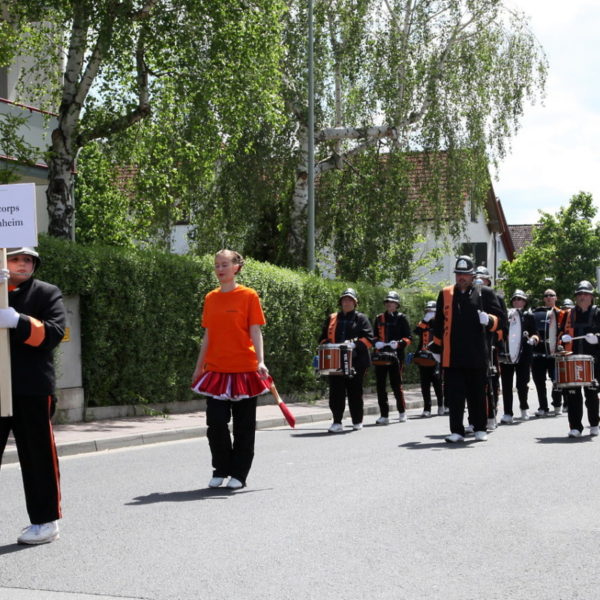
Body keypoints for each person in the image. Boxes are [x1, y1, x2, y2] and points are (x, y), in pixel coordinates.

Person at [0, 247, 66, 545]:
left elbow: (54, 333)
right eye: (15, 258)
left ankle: (45, 521)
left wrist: (19, 321)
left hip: (32, 389)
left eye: (28, 260)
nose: (23, 264)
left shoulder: (46, 293)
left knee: (38, 457)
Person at [191, 249, 271, 489]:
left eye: (224, 264)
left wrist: (260, 361)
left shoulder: (248, 295)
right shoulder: (210, 298)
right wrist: (198, 368)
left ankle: (239, 473)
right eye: (216, 265)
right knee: (215, 423)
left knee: (243, 426)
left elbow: (255, 330)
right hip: (215, 370)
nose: (219, 269)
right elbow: (207, 335)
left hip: (245, 369)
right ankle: (221, 468)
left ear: (236, 267)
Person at [429, 256, 504, 443]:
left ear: (472, 276)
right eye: (458, 274)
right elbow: (438, 323)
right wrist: (436, 347)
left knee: (477, 393)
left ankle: (480, 427)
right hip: (452, 354)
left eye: (465, 274)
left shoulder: (484, 292)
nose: (461, 277)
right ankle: (456, 430)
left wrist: (490, 321)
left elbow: (501, 320)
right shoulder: (445, 294)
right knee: (454, 395)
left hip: (477, 353)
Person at [319, 288, 374, 432]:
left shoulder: (361, 318)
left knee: (355, 391)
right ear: (340, 302)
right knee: (336, 392)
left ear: (355, 303)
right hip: (335, 360)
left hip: (356, 361)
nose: (347, 302)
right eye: (344, 300)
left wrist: (354, 344)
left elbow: (369, 339)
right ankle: (337, 421)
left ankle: (357, 420)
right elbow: (323, 337)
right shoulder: (332, 318)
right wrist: (328, 345)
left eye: (350, 300)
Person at [558, 280, 600, 438]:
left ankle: (594, 423)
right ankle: (575, 427)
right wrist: (564, 338)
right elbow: (560, 334)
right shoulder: (569, 314)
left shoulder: (598, 313)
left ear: (591, 296)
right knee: (573, 394)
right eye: (580, 294)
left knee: (591, 394)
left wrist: (597, 338)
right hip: (573, 359)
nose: (582, 297)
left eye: (585, 294)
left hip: (594, 360)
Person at [499, 290, 539, 424]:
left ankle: (524, 407)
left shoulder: (529, 316)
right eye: (515, 299)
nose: (517, 301)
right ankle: (507, 412)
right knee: (506, 384)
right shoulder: (506, 315)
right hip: (507, 353)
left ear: (525, 302)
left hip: (524, 353)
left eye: (520, 299)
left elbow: (535, 333)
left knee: (522, 383)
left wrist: (533, 339)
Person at [474, 265, 507, 430]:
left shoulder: (495, 297)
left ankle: (491, 413)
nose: (480, 282)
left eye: (483, 279)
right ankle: (474, 417)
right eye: (477, 279)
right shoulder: (470, 295)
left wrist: (496, 339)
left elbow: (503, 322)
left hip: (491, 342)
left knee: (491, 378)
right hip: (474, 344)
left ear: (488, 280)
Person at [372, 291, 412, 424]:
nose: (389, 304)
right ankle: (384, 415)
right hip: (381, 355)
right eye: (388, 302)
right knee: (380, 386)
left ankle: (402, 412)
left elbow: (409, 338)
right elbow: (373, 336)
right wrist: (376, 342)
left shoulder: (402, 318)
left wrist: (399, 344)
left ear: (397, 304)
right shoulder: (379, 318)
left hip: (396, 356)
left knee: (396, 385)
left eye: (392, 302)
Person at [531, 289, 564, 416]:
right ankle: (543, 407)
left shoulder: (562, 313)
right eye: (546, 296)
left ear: (556, 298)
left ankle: (557, 404)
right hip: (538, 353)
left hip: (555, 353)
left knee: (557, 380)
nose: (549, 297)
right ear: (544, 298)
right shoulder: (536, 314)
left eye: (551, 295)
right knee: (539, 382)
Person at [413, 300, 444, 417]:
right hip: (423, 357)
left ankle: (441, 405)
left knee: (437, 382)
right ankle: (427, 408)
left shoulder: (440, 323)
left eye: (432, 311)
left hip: (436, 357)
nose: (430, 313)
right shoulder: (423, 323)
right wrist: (425, 320)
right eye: (428, 311)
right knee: (424, 384)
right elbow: (416, 332)